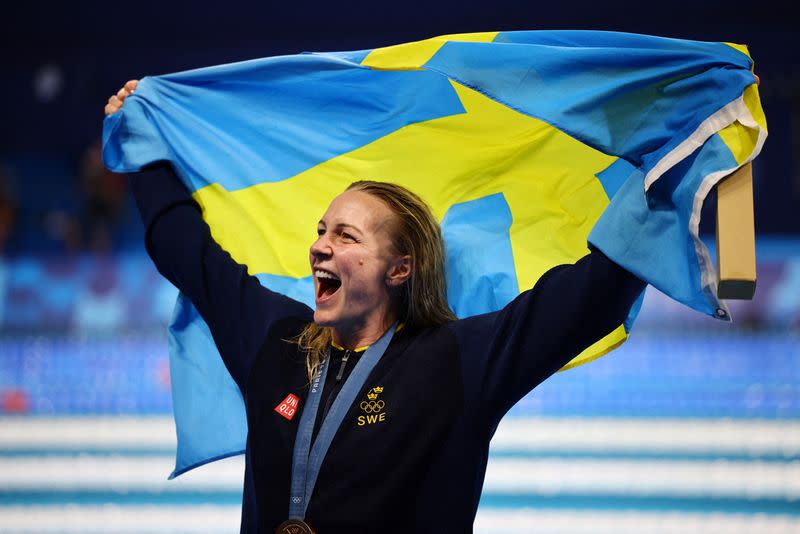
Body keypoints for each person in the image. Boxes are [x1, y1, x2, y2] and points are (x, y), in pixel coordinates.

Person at [106, 80, 646, 533]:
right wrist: (141, 137)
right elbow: (186, 251)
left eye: (345, 236)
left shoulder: (457, 362)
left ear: (400, 268)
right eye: (321, 231)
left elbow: (591, 298)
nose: (320, 246)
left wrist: (675, 166)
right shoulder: (275, 338)